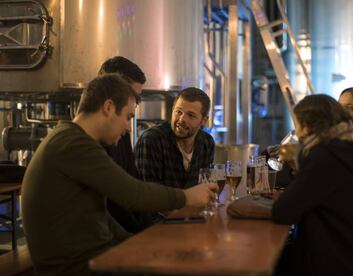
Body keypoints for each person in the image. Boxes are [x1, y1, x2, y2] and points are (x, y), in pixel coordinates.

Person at [21, 74, 217, 276]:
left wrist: (136, 242)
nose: (126, 127)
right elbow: (133, 194)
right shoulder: (72, 144)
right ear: (108, 107)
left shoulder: (74, 139)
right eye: (128, 117)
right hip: (74, 267)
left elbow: (101, 215)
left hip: (91, 256)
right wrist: (186, 197)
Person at [272, 94, 353, 276]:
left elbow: (283, 211)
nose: (297, 134)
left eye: (298, 125)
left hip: (344, 264)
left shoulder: (326, 157)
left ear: (308, 127)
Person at [98, 56, 151, 233]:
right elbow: (109, 206)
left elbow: (133, 182)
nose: (136, 104)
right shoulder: (85, 142)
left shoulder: (118, 134)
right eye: (134, 96)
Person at [135, 87, 215, 188]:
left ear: (203, 120)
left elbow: (205, 188)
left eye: (190, 115)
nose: (182, 119)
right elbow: (150, 196)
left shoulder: (207, 143)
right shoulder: (152, 140)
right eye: (179, 112)